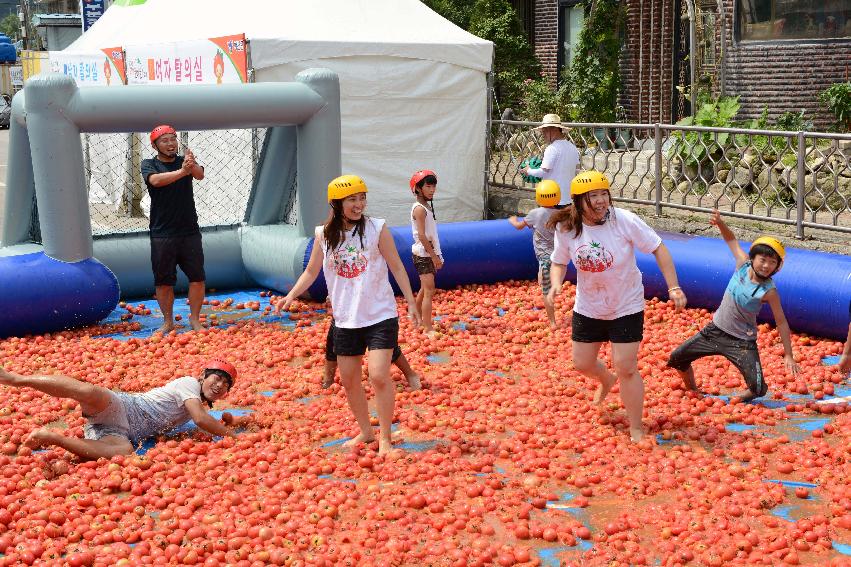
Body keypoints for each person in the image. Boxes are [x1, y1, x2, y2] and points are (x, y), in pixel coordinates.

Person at [275, 175, 421, 455]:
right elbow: (311, 271)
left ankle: (386, 440)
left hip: (380, 313)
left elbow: (397, 266)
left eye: (362, 198)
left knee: (379, 376)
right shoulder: (324, 234)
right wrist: (291, 295)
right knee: (351, 379)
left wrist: (411, 302)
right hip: (346, 318)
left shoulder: (377, 228)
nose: (358, 204)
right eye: (352, 200)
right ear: (337, 203)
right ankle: (366, 433)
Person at [547, 171, 687, 442]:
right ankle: (605, 380)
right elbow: (559, 261)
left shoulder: (624, 220)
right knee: (582, 363)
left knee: (626, 366)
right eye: (593, 197)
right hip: (589, 305)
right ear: (578, 202)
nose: (600, 201)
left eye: (604, 194)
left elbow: (659, 248)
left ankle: (636, 427)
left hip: (626, 304)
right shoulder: (567, 228)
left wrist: (674, 287)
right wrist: (555, 283)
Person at [667, 211, 801, 401]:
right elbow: (731, 240)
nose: (766, 266)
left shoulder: (769, 291)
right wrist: (720, 223)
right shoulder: (742, 265)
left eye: (772, 262)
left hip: (741, 342)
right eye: (762, 260)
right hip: (714, 330)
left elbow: (782, 323)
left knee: (758, 387)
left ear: (778, 267)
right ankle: (694, 392)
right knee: (677, 358)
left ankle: (740, 398)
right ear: (753, 258)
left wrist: (788, 355)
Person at [0, 361, 246, 460]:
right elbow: (202, 421)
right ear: (202, 376)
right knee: (89, 392)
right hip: (125, 406)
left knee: (123, 451)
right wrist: (234, 438)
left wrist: (248, 420)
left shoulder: (197, 401)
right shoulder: (189, 384)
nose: (220, 385)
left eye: (226, 385)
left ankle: (54, 438)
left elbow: (209, 418)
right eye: (217, 377)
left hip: (119, 431)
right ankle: (16, 379)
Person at [141, 125, 206, 333]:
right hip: (162, 233)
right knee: (163, 281)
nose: (170, 144)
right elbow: (156, 181)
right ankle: (168, 322)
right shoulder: (149, 164)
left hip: (189, 231)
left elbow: (199, 175)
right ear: (155, 145)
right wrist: (182, 171)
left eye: (173, 139)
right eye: (165, 140)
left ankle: (195, 319)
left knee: (197, 277)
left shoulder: (184, 162)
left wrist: (190, 165)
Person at [508, 180, 561, 328]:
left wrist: (512, 220)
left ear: (538, 197)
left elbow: (519, 226)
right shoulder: (560, 214)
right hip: (558, 257)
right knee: (549, 277)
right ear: (557, 197)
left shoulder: (535, 214)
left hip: (544, 257)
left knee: (546, 290)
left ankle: (552, 322)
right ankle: (551, 283)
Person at [322, 319, 421, 390]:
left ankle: (410, 374)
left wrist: (411, 301)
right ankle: (328, 380)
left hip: (373, 311)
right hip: (345, 311)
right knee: (335, 338)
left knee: (384, 345)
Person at [520, 114, 580, 208]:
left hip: (552, 198)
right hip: (567, 199)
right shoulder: (572, 147)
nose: (543, 135)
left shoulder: (552, 148)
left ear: (554, 130)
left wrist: (528, 170)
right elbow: (577, 171)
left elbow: (543, 172)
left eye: (544, 131)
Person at [409, 169, 443, 335]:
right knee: (429, 290)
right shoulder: (419, 209)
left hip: (427, 252)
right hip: (423, 254)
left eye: (433, 186)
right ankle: (428, 328)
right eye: (428, 186)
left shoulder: (425, 206)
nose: (432, 190)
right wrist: (434, 256)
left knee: (424, 288)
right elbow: (422, 236)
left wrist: (437, 254)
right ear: (418, 188)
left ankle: (416, 318)